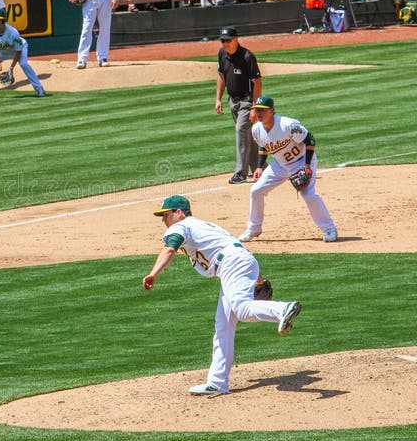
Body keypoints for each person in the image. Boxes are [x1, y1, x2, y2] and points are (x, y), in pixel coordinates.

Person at [142, 194, 303, 396]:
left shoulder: (181, 226)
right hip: (237, 262)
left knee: (242, 309)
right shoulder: (205, 227)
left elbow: (169, 249)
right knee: (223, 325)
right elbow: (238, 251)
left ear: (179, 213)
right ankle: (217, 382)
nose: (163, 221)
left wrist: (153, 273)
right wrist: (259, 281)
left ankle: (282, 309)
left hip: (230, 264)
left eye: (166, 215)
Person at [239, 95, 338, 244]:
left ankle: (329, 229)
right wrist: (259, 167)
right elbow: (264, 146)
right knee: (256, 191)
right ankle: (254, 228)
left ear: (272, 111)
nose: (259, 113)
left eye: (263, 110)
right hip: (279, 165)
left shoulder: (288, 125)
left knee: (308, 195)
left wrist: (307, 166)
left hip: (301, 161)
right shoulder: (256, 130)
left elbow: (310, 140)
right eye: (257, 110)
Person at [215, 26, 262, 186]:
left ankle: (240, 173)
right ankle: (259, 167)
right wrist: (218, 99)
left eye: (228, 40)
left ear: (236, 39)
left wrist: (255, 107)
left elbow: (257, 82)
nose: (225, 44)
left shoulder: (247, 56)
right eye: (223, 41)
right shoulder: (222, 54)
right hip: (232, 101)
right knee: (247, 135)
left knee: (240, 129)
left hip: (247, 101)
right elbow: (221, 76)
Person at [0, 8, 45, 100]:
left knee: (24, 64)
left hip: (17, 50)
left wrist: (11, 68)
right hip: (1, 51)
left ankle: (40, 89)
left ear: (4, 20)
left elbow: (19, 51)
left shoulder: (13, 33)